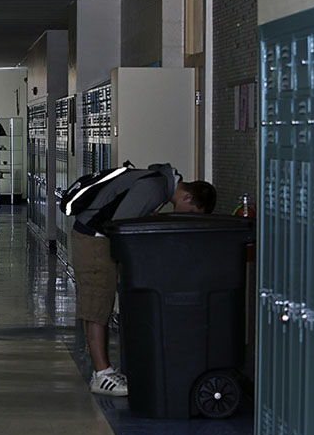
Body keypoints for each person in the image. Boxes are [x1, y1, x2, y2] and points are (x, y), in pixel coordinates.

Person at [70, 163, 216, 396]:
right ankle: (101, 374)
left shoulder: (159, 180)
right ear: (187, 196)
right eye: (190, 212)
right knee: (96, 304)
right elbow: (119, 225)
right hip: (94, 241)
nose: (185, 216)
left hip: (95, 237)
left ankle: (104, 370)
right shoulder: (155, 188)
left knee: (100, 304)